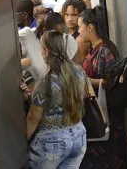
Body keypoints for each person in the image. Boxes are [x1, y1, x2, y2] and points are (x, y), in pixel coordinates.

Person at [26, 30, 89, 168]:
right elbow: (84, 96)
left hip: (51, 142)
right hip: (78, 135)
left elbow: (33, 117)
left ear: (46, 51)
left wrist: (23, 141)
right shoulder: (78, 71)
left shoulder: (45, 79)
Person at [78, 6, 127, 168]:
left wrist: (86, 79)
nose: (79, 32)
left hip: (108, 111)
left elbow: (108, 81)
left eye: (80, 27)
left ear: (90, 27)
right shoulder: (94, 49)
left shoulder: (105, 50)